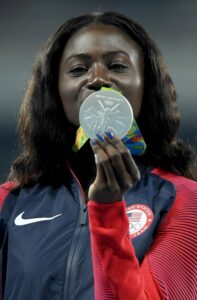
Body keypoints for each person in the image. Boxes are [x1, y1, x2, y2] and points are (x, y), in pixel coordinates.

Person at [0, 11, 196, 300]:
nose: (98, 79)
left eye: (117, 66)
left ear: (146, 84)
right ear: (55, 89)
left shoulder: (184, 200)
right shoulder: (10, 202)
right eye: (78, 69)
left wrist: (108, 212)